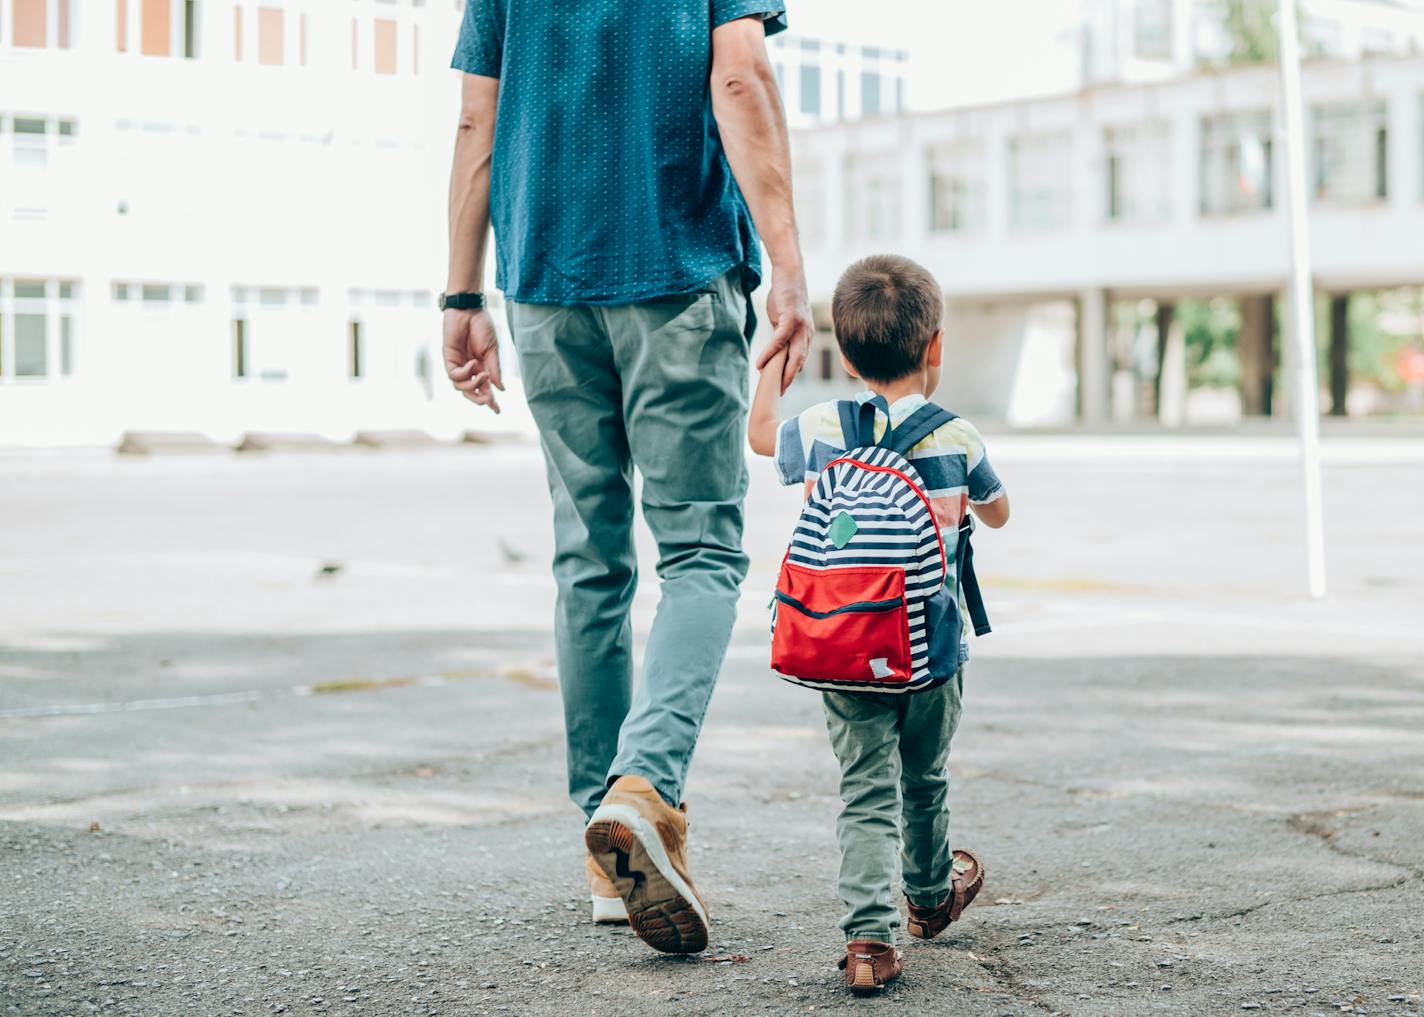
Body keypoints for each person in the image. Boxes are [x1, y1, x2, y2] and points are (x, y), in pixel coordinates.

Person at [442, 1, 814, 956]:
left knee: (590, 562)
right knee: (699, 552)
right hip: (672, 270)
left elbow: (478, 121)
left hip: (541, 279)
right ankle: (641, 790)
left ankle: (607, 858)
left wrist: (459, 291)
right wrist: (789, 265)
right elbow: (739, 76)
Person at [748, 254, 1009, 993]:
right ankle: (928, 898)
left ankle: (869, 940)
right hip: (932, 653)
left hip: (846, 645)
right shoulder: (957, 436)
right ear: (936, 347)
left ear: (849, 354)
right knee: (922, 778)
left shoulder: (825, 426)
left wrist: (776, 353)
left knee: (865, 789)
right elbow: (999, 507)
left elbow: (760, 432)